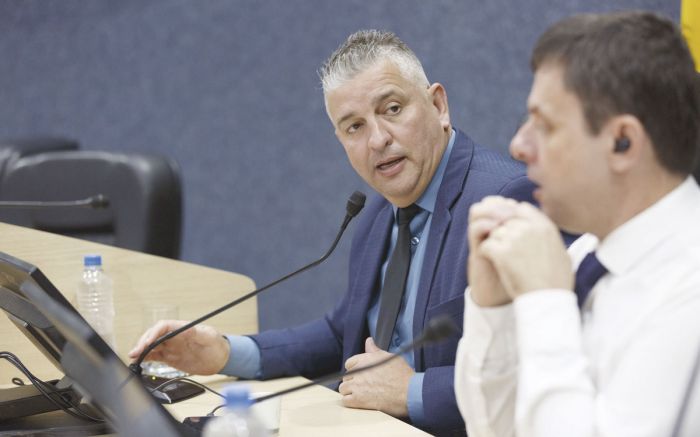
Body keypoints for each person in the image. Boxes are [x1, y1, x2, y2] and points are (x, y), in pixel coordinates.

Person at [130, 29, 534, 436]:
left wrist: (412, 390)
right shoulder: (378, 215)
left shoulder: (506, 200)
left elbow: (538, 370)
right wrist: (224, 352)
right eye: (354, 127)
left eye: (393, 109)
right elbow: (343, 334)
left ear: (438, 105)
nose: (378, 139)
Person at [455, 11, 700, 437]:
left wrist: (545, 300)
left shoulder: (689, 288)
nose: (518, 145)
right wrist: (494, 309)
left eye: (545, 125)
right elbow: (495, 430)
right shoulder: (588, 253)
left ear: (622, 142)